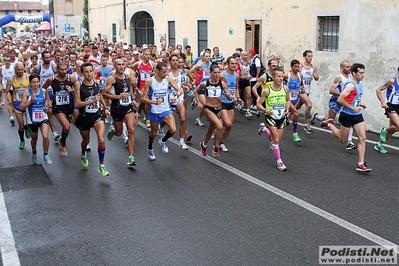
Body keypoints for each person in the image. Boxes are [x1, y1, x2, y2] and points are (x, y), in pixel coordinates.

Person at [320, 63, 371, 172]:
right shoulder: (350, 85)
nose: (363, 75)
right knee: (342, 139)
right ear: (354, 73)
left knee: (362, 138)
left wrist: (360, 104)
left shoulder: (359, 85)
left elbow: (352, 99)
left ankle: (360, 164)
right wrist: (353, 108)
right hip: (347, 115)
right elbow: (340, 100)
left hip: (357, 116)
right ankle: (329, 124)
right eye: (361, 73)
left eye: (364, 72)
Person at [74, 62, 111, 176]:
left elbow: (99, 96)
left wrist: (105, 108)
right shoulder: (78, 85)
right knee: (86, 141)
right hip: (84, 117)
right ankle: (83, 153)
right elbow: (78, 103)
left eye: (91, 71)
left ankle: (101, 165)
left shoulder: (97, 82)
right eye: (86, 72)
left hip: (96, 115)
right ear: (82, 73)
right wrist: (92, 101)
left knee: (101, 140)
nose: (89, 74)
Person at [141, 61, 182, 161]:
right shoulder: (150, 81)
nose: (166, 74)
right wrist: (154, 102)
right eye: (163, 72)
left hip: (166, 109)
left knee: (173, 130)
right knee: (153, 134)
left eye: (166, 72)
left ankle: (163, 140)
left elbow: (180, 90)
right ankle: (150, 148)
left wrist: (176, 96)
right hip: (155, 110)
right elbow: (143, 99)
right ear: (157, 71)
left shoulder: (167, 79)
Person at [312, 60, 357, 150]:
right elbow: (331, 90)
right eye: (347, 67)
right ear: (342, 68)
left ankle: (349, 142)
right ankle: (317, 117)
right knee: (330, 120)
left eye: (350, 66)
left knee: (350, 120)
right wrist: (342, 95)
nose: (350, 68)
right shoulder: (339, 77)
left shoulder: (350, 78)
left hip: (346, 102)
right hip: (336, 101)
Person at [103, 58, 137, 166]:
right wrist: (118, 96)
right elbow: (103, 94)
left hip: (127, 107)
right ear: (115, 66)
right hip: (116, 108)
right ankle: (112, 131)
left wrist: (133, 99)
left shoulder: (127, 77)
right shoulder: (112, 79)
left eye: (123, 64)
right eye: (119, 65)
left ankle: (131, 157)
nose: (121, 66)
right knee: (118, 132)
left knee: (131, 130)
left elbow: (129, 88)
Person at [42, 62, 79, 156]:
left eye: (65, 69)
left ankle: (62, 139)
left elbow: (79, 91)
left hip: (69, 107)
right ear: (57, 70)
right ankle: (63, 144)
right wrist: (48, 99)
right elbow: (43, 89)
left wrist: (72, 91)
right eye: (61, 69)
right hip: (58, 107)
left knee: (66, 128)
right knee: (67, 126)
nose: (63, 71)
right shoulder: (51, 79)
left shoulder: (71, 78)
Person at [257, 68, 290, 171]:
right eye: (278, 76)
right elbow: (258, 104)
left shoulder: (285, 89)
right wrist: (265, 111)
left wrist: (287, 108)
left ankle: (265, 130)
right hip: (271, 117)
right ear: (273, 78)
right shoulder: (266, 91)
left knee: (277, 139)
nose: (281, 78)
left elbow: (288, 100)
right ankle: (279, 162)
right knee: (275, 139)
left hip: (281, 117)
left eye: (282, 76)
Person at [196, 63, 232, 156]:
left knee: (212, 130)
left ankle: (204, 144)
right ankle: (215, 147)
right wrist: (199, 102)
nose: (217, 75)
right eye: (215, 73)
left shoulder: (222, 83)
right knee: (219, 126)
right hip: (208, 109)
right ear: (210, 73)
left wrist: (229, 96)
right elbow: (196, 91)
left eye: (218, 73)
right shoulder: (205, 83)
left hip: (219, 108)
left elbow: (229, 95)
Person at [159, 54, 191, 150]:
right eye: (173, 60)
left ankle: (181, 141)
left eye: (177, 60)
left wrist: (184, 87)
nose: (175, 62)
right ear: (169, 62)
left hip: (177, 97)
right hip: (167, 98)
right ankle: (160, 127)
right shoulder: (166, 72)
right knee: (166, 120)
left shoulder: (180, 72)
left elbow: (179, 86)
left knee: (183, 119)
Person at [19, 73, 52, 165]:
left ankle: (46, 155)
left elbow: (47, 100)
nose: (35, 84)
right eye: (33, 82)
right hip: (32, 120)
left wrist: (46, 106)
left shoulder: (44, 91)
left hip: (43, 117)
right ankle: (34, 151)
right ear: (30, 83)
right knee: (34, 140)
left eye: (37, 82)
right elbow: (22, 107)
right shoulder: (26, 92)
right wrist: (30, 101)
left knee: (45, 136)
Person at [32, 50, 60, 141]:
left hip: (53, 92)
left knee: (52, 111)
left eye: (49, 57)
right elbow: (32, 78)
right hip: (42, 92)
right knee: (49, 112)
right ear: (43, 58)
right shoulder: (37, 68)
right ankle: (54, 132)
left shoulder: (54, 67)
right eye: (46, 57)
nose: (48, 59)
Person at [218, 56, 242, 152]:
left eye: (235, 63)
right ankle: (216, 130)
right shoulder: (222, 75)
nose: (234, 65)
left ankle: (221, 143)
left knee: (229, 125)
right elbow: (217, 88)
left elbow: (236, 88)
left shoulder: (236, 75)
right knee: (227, 123)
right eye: (232, 63)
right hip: (222, 102)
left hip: (231, 102)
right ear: (227, 64)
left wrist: (238, 97)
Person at [4, 62, 30, 149]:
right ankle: (22, 140)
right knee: (21, 125)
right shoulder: (11, 79)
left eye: (22, 69)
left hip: (27, 103)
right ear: (15, 69)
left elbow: (34, 88)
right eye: (18, 70)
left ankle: (27, 127)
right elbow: (6, 91)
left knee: (28, 122)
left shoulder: (27, 77)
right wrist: (4, 101)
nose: (20, 71)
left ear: (24, 69)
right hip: (17, 103)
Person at [375, 66, 399, 153]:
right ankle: (384, 130)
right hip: (391, 106)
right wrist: (382, 102)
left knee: (393, 129)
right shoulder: (392, 81)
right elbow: (378, 90)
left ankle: (379, 144)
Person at [296, 50, 319, 134]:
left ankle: (286, 116)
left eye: (311, 56)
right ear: (304, 57)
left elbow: (317, 78)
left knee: (297, 106)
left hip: (308, 89)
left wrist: (315, 75)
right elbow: (296, 76)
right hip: (301, 90)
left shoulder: (313, 67)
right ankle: (306, 124)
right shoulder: (300, 66)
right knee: (309, 105)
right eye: (308, 56)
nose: (310, 58)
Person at [284, 59, 304, 142]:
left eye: (298, 66)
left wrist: (302, 89)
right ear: (291, 67)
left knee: (292, 113)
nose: (297, 68)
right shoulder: (287, 76)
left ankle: (286, 116)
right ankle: (295, 134)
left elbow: (301, 84)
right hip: (288, 99)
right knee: (296, 113)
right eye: (295, 66)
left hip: (296, 98)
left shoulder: (300, 75)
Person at [0, 55, 15, 124]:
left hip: (14, 88)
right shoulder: (1, 68)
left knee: (14, 102)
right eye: (6, 60)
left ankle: (14, 109)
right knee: (9, 102)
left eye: (9, 60)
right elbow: (1, 76)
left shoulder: (13, 68)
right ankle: (11, 117)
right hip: (6, 88)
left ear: (10, 61)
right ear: (4, 61)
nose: (7, 62)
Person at [238, 50, 253, 117]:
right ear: (241, 55)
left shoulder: (248, 62)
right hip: (240, 80)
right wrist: (243, 76)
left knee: (249, 95)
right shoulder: (239, 63)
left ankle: (248, 110)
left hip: (246, 80)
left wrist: (249, 76)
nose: (246, 56)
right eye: (245, 55)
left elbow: (248, 72)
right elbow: (238, 72)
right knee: (238, 94)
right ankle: (238, 104)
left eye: (247, 55)